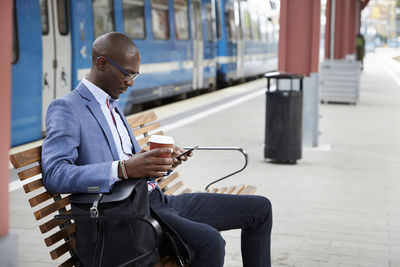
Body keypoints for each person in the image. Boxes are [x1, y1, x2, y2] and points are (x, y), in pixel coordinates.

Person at [42, 32, 272, 267]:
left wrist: (159, 162)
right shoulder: (67, 108)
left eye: (135, 75)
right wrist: (123, 169)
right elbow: (55, 174)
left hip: (157, 200)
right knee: (210, 242)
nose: (131, 82)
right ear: (102, 64)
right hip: (129, 215)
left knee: (260, 208)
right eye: (127, 73)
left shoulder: (112, 103)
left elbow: (129, 162)